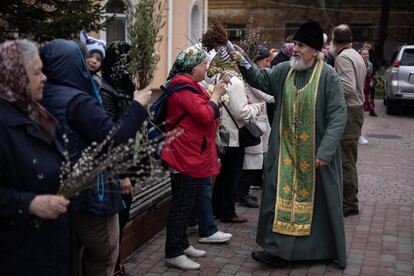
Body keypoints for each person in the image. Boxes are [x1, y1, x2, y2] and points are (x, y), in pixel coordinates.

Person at [229, 21, 348, 268]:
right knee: (276, 200)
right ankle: (276, 251)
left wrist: (326, 150)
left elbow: (338, 115)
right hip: (284, 154)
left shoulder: (328, 76)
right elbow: (260, 79)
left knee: (317, 206)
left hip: (315, 157)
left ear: (315, 50)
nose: (295, 48)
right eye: (295, 43)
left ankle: (320, 250)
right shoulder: (285, 70)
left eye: (301, 45)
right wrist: (242, 60)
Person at [40, 39, 152, 276]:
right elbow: (113, 137)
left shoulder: (44, 94)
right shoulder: (78, 100)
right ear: (75, 64)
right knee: (103, 255)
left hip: (62, 188)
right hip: (93, 192)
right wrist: (139, 105)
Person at [0, 39, 71, 275]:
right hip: (19, 255)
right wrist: (29, 204)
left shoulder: (36, 113)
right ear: (16, 75)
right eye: (37, 72)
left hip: (49, 248)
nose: (44, 78)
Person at [161, 46, 230, 270]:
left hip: (191, 152)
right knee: (181, 204)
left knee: (187, 201)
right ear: (192, 68)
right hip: (183, 154)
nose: (206, 67)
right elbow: (205, 114)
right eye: (202, 64)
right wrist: (217, 95)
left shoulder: (189, 86)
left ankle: (182, 244)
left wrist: (214, 96)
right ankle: (173, 252)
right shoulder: (181, 87)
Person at [211, 54, 263, 223]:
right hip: (234, 134)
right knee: (233, 173)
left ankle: (217, 208)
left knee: (225, 172)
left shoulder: (218, 78)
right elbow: (241, 112)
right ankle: (227, 211)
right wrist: (257, 107)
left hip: (222, 131)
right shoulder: (236, 82)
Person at [100, 41, 136, 276]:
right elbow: (110, 135)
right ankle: (113, 267)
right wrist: (122, 174)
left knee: (123, 216)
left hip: (129, 161)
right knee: (115, 219)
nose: (129, 67)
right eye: (125, 61)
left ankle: (116, 264)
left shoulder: (125, 86)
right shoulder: (106, 90)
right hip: (116, 167)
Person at [330, 25, 366, 217]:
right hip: (356, 110)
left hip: (350, 111)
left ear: (335, 41)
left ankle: (350, 203)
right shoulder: (355, 54)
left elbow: (348, 87)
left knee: (346, 160)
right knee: (348, 158)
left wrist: (330, 95)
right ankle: (349, 199)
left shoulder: (343, 57)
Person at [238, 44, 274, 207]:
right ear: (257, 61)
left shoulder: (257, 73)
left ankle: (244, 193)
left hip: (260, 121)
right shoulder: (253, 77)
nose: (268, 64)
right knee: (250, 163)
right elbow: (267, 96)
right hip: (254, 123)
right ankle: (242, 193)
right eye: (266, 60)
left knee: (255, 162)